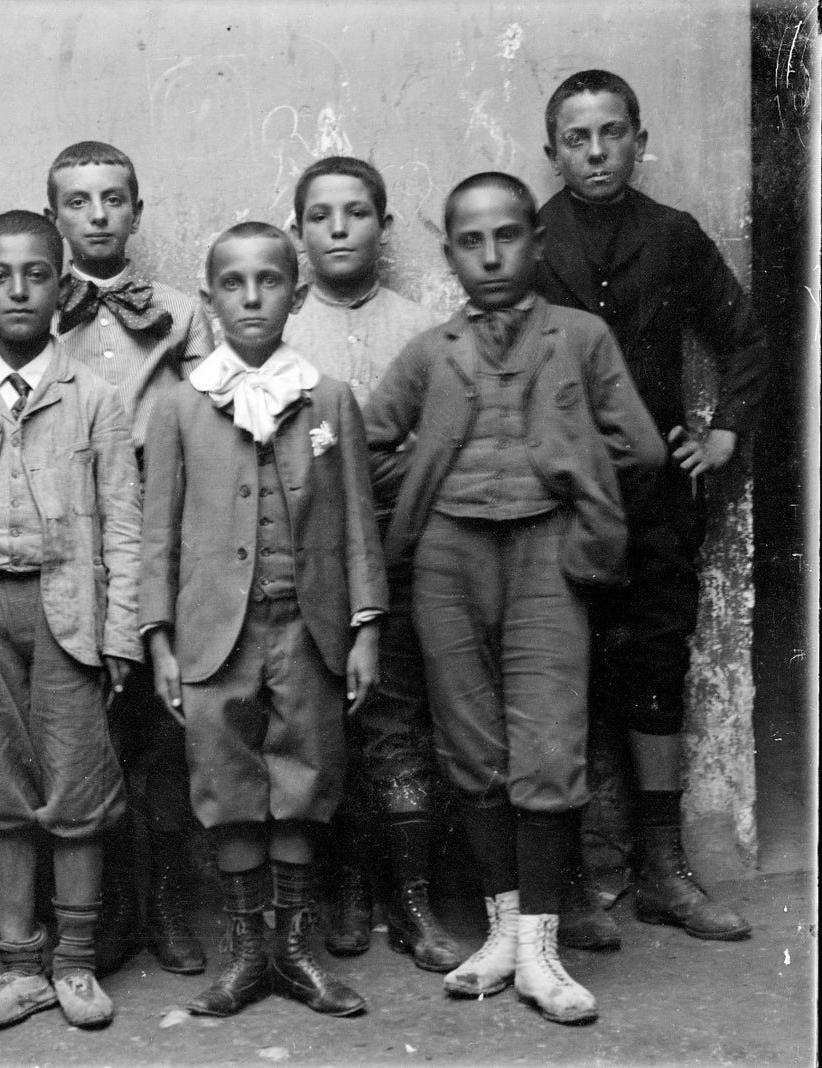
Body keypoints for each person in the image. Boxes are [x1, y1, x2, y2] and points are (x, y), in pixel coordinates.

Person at [366, 173, 664, 1024]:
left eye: (506, 235)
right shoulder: (431, 350)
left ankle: (538, 949)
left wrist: (572, 488)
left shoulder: (579, 336)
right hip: (447, 558)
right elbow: (370, 442)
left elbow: (637, 448)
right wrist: (432, 474)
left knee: (546, 741)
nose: (490, 255)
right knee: (469, 743)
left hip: (545, 554)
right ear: (449, 252)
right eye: (469, 240)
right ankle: (502, 931)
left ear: (536, 240)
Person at [535, 69, 767, 947]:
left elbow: (745, 336)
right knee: (563, 680)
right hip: (560, 506)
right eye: (575, 138)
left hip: (657, 505)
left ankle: (664, 872)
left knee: (654, 673)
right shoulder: (528, 237)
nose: (595, 153)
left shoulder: (672, 236)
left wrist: (721, 435)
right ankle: (580, 881)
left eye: (610, 134)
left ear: (639, 137)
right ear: (550, 149)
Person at [141, 221, 385, 1019]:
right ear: (209, 300)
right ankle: (247, 953)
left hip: (308, 629)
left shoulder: (331, 399)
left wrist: (366, 629)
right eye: (233, 285)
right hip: (215, 635)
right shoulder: (180, 406)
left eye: (269, 282)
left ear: (298, 292)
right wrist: (160, 640)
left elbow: (356, 522)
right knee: (226, 785)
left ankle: (292, 949)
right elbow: (158, 534)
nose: (251, 298)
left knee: (304, 782)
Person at [0, 210, 142, 1032]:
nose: (17, 290)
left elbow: (123, 527)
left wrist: (118, 637)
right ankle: (18, 967)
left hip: (67, 612)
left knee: (76, 789)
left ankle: (74, 965)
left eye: (35, 274)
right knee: (1, 793)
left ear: (62, 286)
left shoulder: (96, 399)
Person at [286, 155, 461, 972]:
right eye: (320, 217)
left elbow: (435, 448)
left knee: (400, 722)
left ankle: (412, 896)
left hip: (408, 549)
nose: (338, 230)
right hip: (315, 555)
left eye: (356, 214)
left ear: (383, 228)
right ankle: (347, 885)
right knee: (331, 726)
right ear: (298, 233)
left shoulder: (422, 328)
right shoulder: (280, 333)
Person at [44, 140, 214, 975]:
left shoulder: (182, 312)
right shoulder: (38, 310)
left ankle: (169, 909)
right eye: (77, 202)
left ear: (137, 213)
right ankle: (107, 913)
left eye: (113, 199)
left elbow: (211, 424)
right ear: (54, 218)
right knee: (93, 733)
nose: (97, 215)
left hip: (163, 536)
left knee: (166, 733)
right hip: (77, 539)